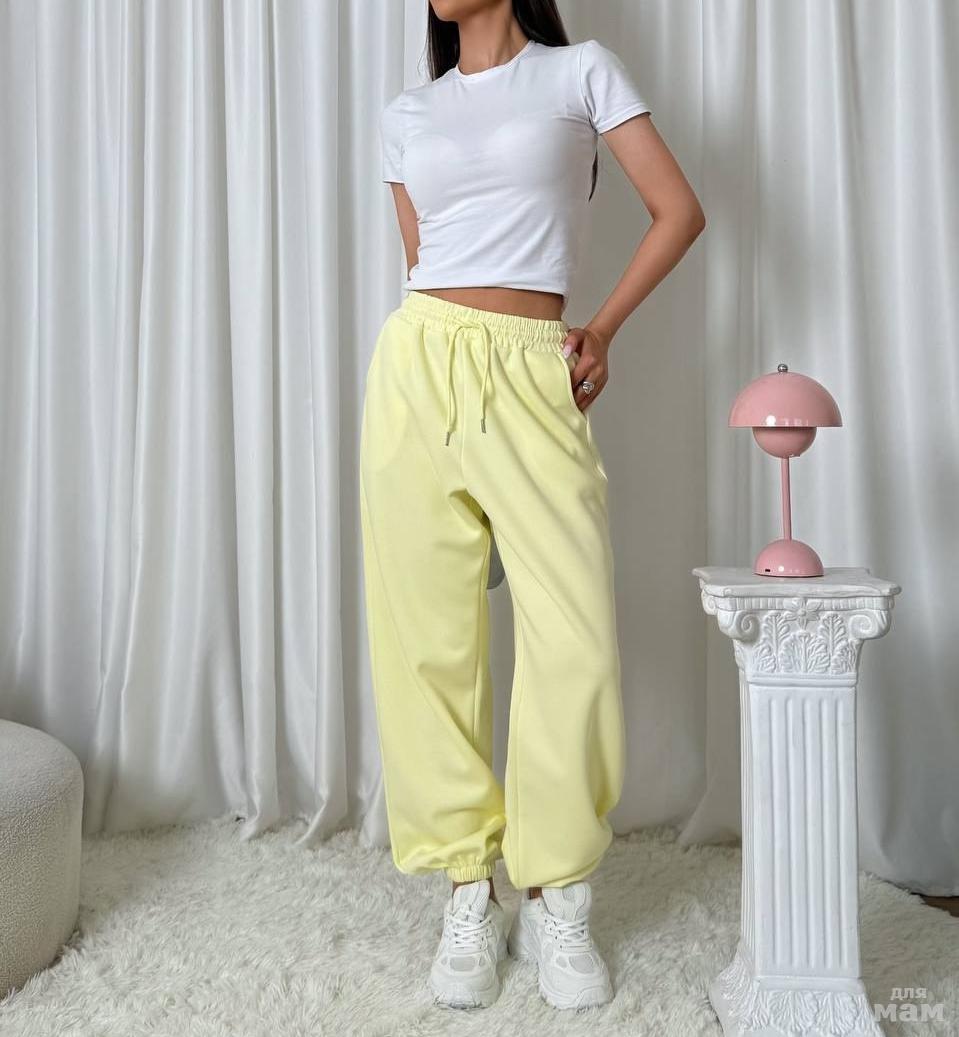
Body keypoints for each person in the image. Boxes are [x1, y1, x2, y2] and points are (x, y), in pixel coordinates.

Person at [360, 0, 704, 1012]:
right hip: (418, 368)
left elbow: (677, 210)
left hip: (533, 368)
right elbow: (425, 263)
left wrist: (602, 329)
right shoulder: (406, 113)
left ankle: (557, 890)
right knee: (427, 639)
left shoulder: (578, 72)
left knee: (572, 638)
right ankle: (468, 888)